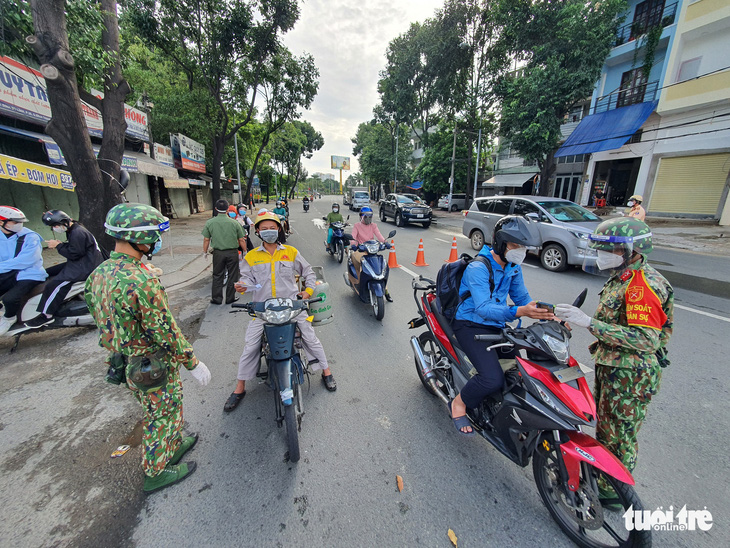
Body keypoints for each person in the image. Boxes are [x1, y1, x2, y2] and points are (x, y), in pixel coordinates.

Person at [85, 203, 211, 493]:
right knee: (160, 416)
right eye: (153, 235)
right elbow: (165, 330)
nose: (156, 241)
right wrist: (192, 362)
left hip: (126, 360)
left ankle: (174, 444)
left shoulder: (101, 273)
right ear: (136, 239)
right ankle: (156, 471)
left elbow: (100, 314)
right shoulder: (141, 281)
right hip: (151, 363)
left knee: (168, 407)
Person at [555, 217, 673, 509]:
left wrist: (589, 324)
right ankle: (608, 478)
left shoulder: (641, 286)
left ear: (629, 250)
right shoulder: (623, 278)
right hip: (615, 367)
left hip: (630, 375)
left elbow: (646, 340)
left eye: (609, 250)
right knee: (608, 429)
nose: (601, 255)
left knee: (620, 435)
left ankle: (613, 493)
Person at [448, 216, 554, 435]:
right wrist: (519, 311)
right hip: (470, 325)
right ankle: (459, 403)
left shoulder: (513, 266)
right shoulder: (478, 267)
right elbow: (483, 308)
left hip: (497, 324)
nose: (521, 251)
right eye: (516, 245)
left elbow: (522, 298)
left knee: (527, 367)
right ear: (500, 242)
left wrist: (548, 316)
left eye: (523, 247)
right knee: (491, 378)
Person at [224, 210, 336, 412]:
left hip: (292, 307)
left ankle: (326, 372)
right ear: (257, 231)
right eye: (264, 229)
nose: (269, 232)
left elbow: (308, 272)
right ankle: (239, 388)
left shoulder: (291, 252)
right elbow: (247, 279)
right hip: (263, 310)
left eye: (272, 228)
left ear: (278, 230)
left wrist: (307, 292)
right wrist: (242, 285)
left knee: (310, 338)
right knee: (251, 346)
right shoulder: (251, 256)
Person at [24, 210, 104, 328]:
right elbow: (76, 248)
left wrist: (58, 246)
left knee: (55, 284)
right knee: (48, 272)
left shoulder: (77, 232)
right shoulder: (73, 229)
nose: (55, 228)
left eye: (55, 225)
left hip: (86, 266)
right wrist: (61, 244)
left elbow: (74, 254)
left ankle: (47, 315)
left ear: (64, 222)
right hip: (82, 262)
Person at [0, 206, 47, 335]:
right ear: (1, 222)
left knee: (10, 299)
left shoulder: (30, 236)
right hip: (7, 273)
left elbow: (28, 260)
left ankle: (9, 318)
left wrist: (2, 266)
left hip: (30, 274)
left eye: (20, 222)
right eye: (15, 222)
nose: (19, 225)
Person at [202, 199, 248, 305]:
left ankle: (217, 299)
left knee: (217, 275)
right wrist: (245, 251)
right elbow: (241, 239)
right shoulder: (235, 223)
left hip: (218, 253)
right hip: (232, 253)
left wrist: (204, 252)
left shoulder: (210, 223)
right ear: (228, 209)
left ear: (216, 209)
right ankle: (230, 298)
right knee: (233, 275)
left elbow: (206, 239)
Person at [349, 206, 392, 302]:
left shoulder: (373, 226)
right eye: (366, 217)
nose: (368, 219)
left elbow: (379, 235)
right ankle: (360, 285)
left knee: (380, 268)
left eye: (370, 217)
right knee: (361, 266)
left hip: (372, 250)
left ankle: (386, 291)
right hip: (361, 250)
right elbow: (353, 236)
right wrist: (353, 244)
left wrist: (385, 242)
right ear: (361, 217)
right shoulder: (357, 225)